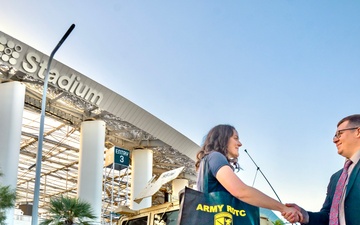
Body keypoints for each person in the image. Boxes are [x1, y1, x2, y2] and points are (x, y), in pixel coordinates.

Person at [195, 124, 302, 223]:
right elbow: (241, 191)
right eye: (235, 138)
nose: (240, 143)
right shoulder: (216, 157)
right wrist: (282, 208)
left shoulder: (205, 163)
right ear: (222, 138)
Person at [283, 114, 360, 224]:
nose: (335, 140)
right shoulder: (336, 178)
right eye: (334, 136)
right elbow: (328, 215)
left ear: (358, 132)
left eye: (339, 134)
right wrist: (306, 216)